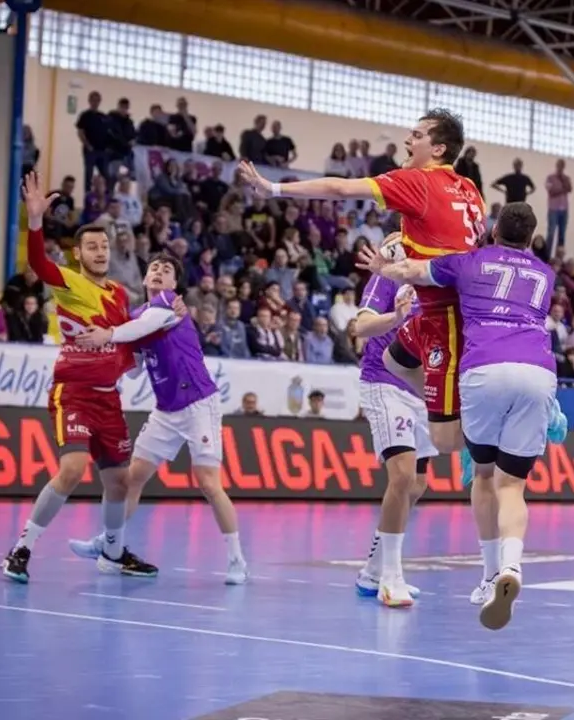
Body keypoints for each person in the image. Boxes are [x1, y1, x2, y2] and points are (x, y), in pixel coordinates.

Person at [237, 108, 483, 464]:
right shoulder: (470, 189)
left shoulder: (418, 182)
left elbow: (338, 187)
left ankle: (491, 430)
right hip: (446, 308)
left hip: (449, 316)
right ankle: (461, 407)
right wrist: (399, 268)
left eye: (417, 136)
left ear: (439, 149)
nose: (407, 140)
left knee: (446, 443)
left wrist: (273, 188)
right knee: (394, 359)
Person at [359, 202, 557, 631]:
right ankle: (511, 568)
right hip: (538, 370)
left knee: (484, 476)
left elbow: (415, 272)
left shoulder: (470, 262)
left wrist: (384, 266)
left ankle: (489, 576)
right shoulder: (546, 274)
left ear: (492, 230)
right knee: (514, 486)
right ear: (531, 239)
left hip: (484, 368)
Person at [0, 171, 156, 584]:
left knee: (119, 482)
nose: (100, 251)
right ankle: (20, 549)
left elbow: (125, 340)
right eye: (91, 246)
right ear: (79, 254)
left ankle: (113, 552)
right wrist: (35, 222)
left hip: (109, 398)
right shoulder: (68, 283)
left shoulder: (120, 294)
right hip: (74, 393)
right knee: (71, 470)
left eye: (104, 245)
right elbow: (36, 263)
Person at [66, 256, 248, 585]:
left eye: (166, 271)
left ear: (173, 285)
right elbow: (133, 366)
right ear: (145, 277)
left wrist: (108, 333)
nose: (158, 272)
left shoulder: (166, 304)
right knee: (130, 480)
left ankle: (237, 560)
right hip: (166, 410)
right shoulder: (136, 316)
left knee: (208, 484)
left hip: (198, 405)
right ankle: (108, 544)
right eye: (154, 268)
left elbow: (137, 329)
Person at [350, 245, 435, 607]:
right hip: (383, 380)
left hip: (419, 386)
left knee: (416, 484)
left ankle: (371, 571)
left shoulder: (434, 278)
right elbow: (361, 326)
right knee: (400, 477)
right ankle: (390, 578)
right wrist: (395, 319)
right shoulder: (387, 276)